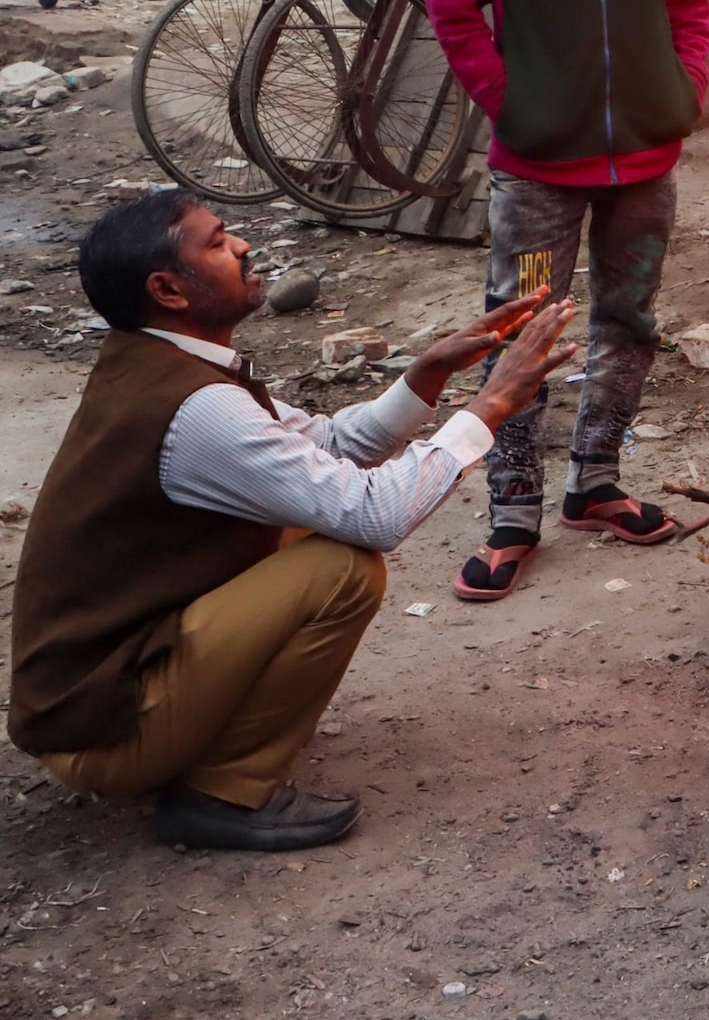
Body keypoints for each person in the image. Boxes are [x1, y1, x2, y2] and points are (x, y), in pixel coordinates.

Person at [8, 192, 576, 851]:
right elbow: (376, 515)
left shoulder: (162, 365)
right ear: (167, 289)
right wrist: (493, 403)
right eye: (217, 243)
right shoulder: (197, 408)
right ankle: (220, 791)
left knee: (306, 529)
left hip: (100, 698)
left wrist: (426, 376)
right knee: (339, 567)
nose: (243, 246)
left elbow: (327, 444)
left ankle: (204, 747)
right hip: (102, 736)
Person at [424, 0, 709, 600]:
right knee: (523, 326)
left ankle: (596, 483)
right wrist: (512, 102)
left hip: (645, 157)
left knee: (627, 320)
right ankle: (513, 511)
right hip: (538, 162)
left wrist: (686, 84)